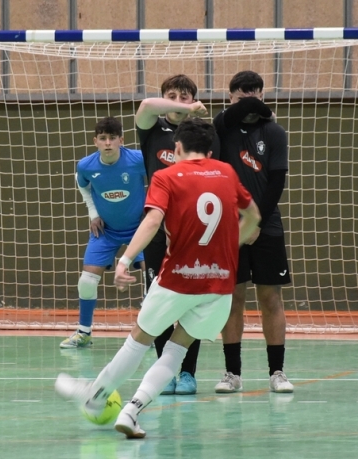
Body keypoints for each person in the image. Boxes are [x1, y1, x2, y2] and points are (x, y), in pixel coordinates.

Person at [55, 118, 261, 439]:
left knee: (139, 340)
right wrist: (229, 247)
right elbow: (254, 217)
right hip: (219, 284)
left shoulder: (166, 176)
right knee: (177, 351)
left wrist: (125, 260)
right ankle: (132, 410)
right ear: (210, 151)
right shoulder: (227, 172)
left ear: (177, 148)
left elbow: (152, 221)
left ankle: (96, 393)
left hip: (177, 279)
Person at [135, 74, 217, 395]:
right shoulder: (152, 129)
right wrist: (187, 106)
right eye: (172, 96)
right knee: (158, 304)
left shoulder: (201, 135)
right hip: (158, 231)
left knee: (188, 305)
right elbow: (146, 105)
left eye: (185, 97)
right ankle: (164, 372)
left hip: (191, 232)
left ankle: (187, 373)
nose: (178, 102)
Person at [212, 70, 294, 393]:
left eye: (255, 95)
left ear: (262, 96)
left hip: (266, 226)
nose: (248, 103)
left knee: (270, 297)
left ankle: (277, 372)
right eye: (240, 96)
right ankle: (232, 373)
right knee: (233, 297)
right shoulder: (221, 128)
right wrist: (250, 103)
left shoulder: (274, 132)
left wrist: (255, 222)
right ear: (229, 98)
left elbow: (277, 181)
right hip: (227, 227)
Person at [59, 117, 147, 349]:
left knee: (152, 276)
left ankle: (148, 333)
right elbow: (83, 186)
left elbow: (159, 178)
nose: (108, 143)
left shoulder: (138, 159)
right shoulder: (85, 166)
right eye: (103, 138)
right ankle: (84, 333)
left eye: (112, 138)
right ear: (95, 141)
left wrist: (151, 209)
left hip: (139, 229)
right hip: (106, 231)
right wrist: (93, 213)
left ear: (121, 140)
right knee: (87, 281)